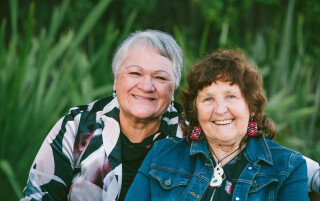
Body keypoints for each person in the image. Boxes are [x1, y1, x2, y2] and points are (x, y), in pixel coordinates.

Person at [125, 49, 310, 200]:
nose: (220, 109)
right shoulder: (163, 154)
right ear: (195, 110)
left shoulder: (287, 166)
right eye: (208, 99)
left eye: (231, 96)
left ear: (251, 106)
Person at [21, 29, 184, 201]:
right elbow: (38, 196)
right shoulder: (78, 126)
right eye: (135, 73)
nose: (146, 86)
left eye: (160, 78)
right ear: (116, 81)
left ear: (173, 90)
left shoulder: (189, 137)